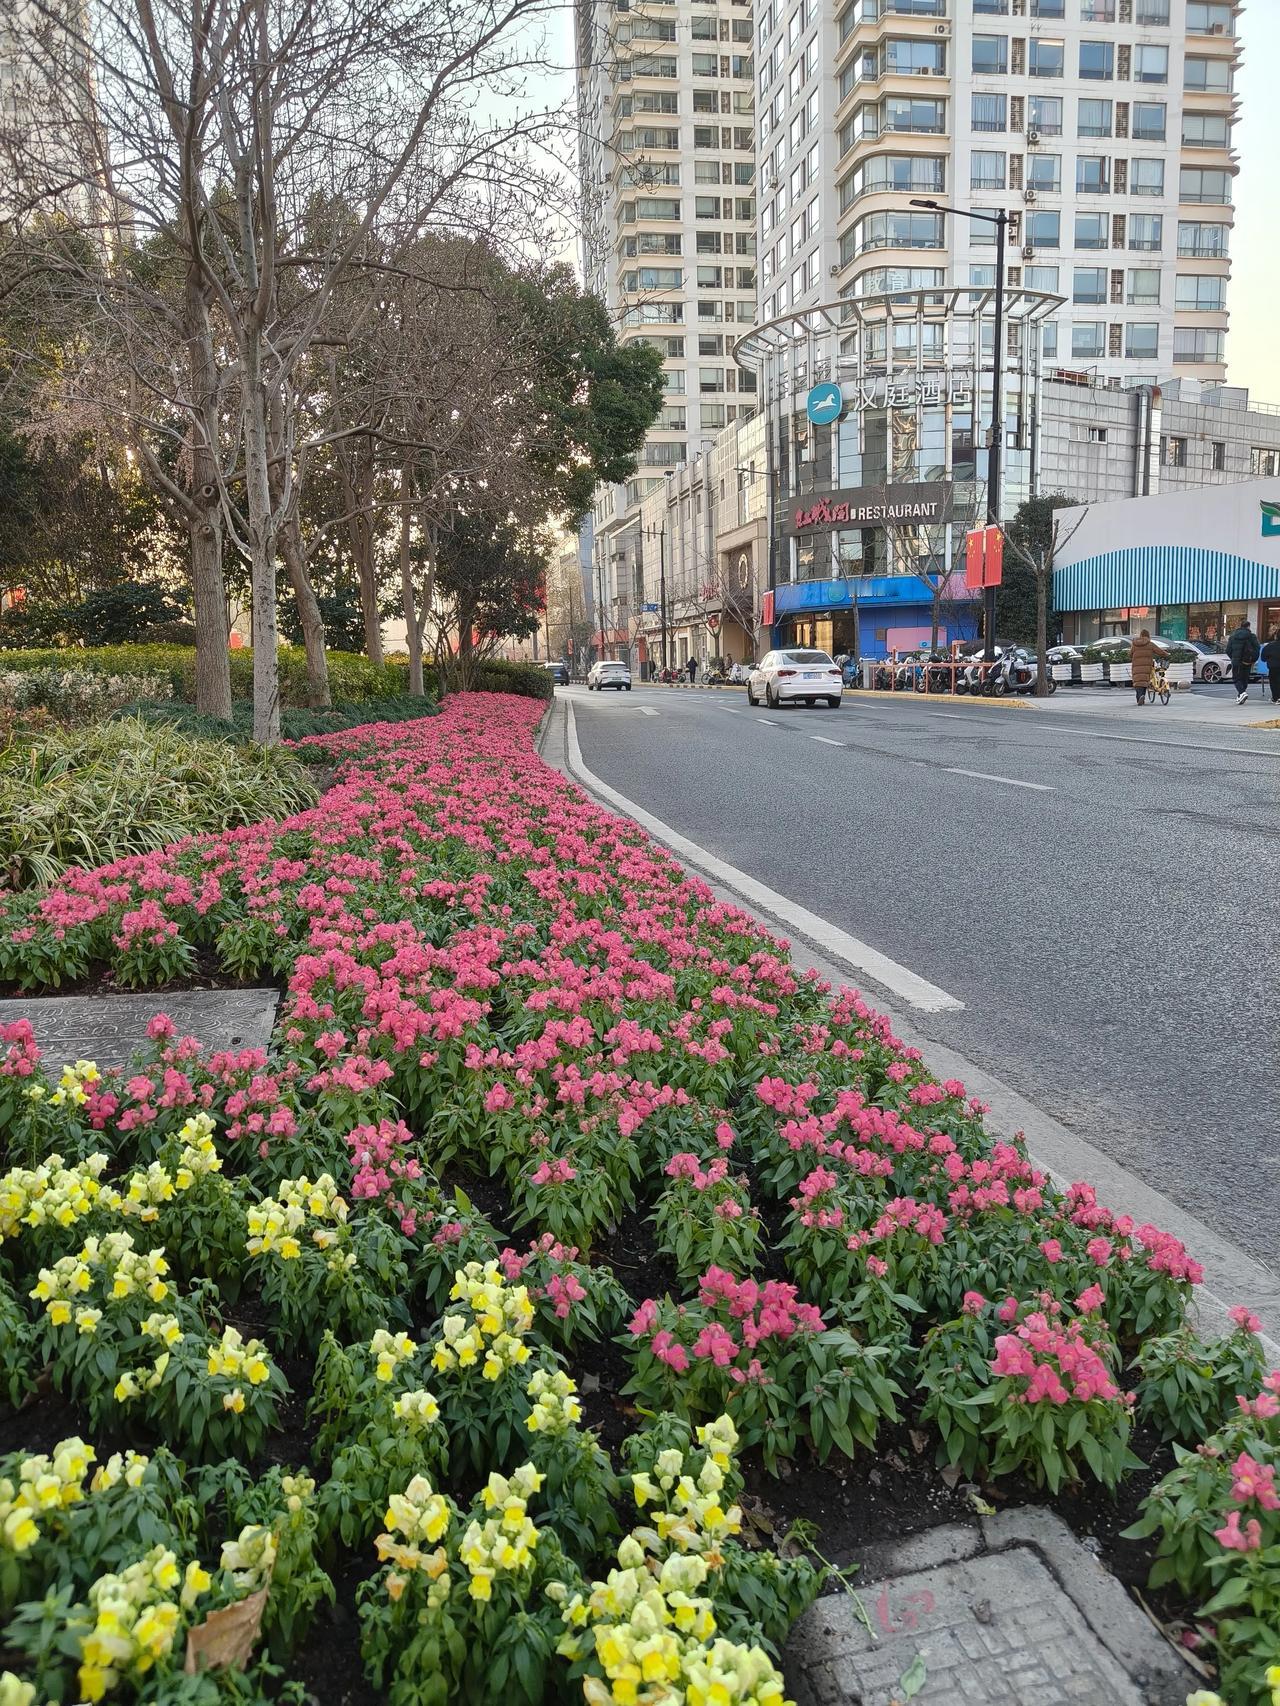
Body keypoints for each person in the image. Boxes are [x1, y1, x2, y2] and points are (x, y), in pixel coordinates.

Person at [1225, 618, 1260, 704]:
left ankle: (1241, 693)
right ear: (1248, 627)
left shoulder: (1233, 637)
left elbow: (1228, 650)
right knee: (1244, 679)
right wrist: (1253, 659)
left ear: (1240, 626)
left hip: (1236, 661)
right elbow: (1257, 648)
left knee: (1236, 678)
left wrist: (1233, 657)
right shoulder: (1252, 636)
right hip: (1247, 661)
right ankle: (1241, 694)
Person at [1129, 628, 1155, 706]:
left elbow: (1130, 654)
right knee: (1144, 681)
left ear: (1140, 635)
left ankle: (1140, 697)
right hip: (1146, 666)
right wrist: (1167, 655)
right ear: (1148, 636)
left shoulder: (1134, 644)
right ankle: (1142, 697)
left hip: (1136, 666)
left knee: (1138, 682)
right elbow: (1159, 651)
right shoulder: (1150, 644)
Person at [1262, 628, 1280, 705]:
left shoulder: (1270, 645)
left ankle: (1276, 697)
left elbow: (1263, 658)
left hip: (1273, 666)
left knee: (1274, 682)